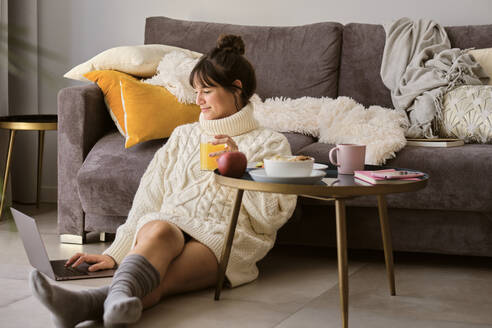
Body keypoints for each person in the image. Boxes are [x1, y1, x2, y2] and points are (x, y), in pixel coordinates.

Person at [29, 34, 297, 327]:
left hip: (225, 239)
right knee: (157, 228)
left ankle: (88, 304)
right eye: (196, 91)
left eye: (206, 91)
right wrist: (116, 253)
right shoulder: (183, 136)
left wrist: (239, 167)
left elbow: (269, 219)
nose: (198, 100)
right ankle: (111, 305)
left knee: (162, 279)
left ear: (236, 89)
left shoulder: (270, 143)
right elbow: (148, 199)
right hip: (169, 225)